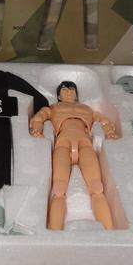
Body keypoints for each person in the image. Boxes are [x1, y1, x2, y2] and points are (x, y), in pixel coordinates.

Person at [30, 81, 118, 230]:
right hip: (63, 142)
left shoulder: (87, 109)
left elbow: (104, 121)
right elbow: (39, 118)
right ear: (58, 96)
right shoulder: (53, 108)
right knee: (59, 189)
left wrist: (110, 132)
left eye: (72, 89)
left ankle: (108, 231)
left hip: (85, 143)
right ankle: (55, 232)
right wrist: (37, 130)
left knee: (97, 187)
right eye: (64, 89)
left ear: (76, 94)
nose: (69, 92)